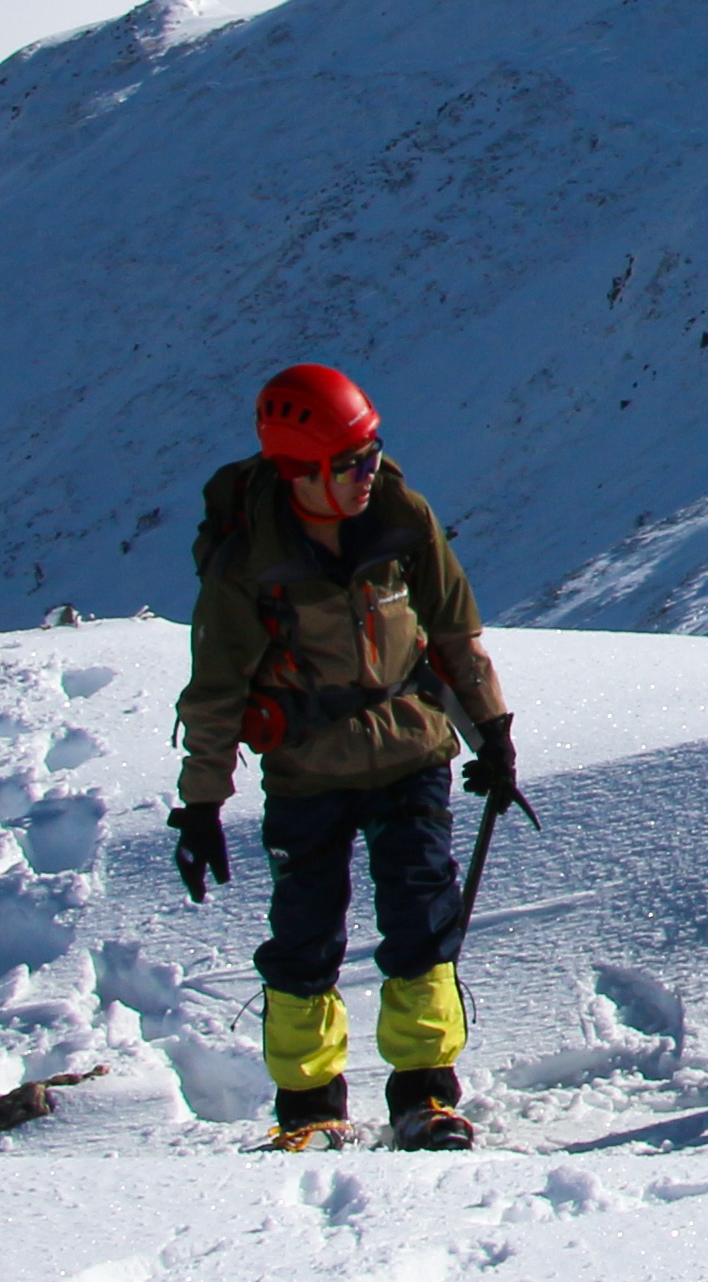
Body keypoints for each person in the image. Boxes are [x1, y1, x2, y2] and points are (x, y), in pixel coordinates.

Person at [168, 363, 522, 1152]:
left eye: (372, 452)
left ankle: (426, 1094)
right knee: (304, 939)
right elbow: (217, 692)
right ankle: (308, 1105)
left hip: (411, 750)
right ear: (301, 471)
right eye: (351, 462)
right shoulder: (249, 565)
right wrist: (201, 804)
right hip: (306, 766)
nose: (371, 473)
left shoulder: (402, 517)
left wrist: (491, 733)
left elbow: (455, 636)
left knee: (423, 924)